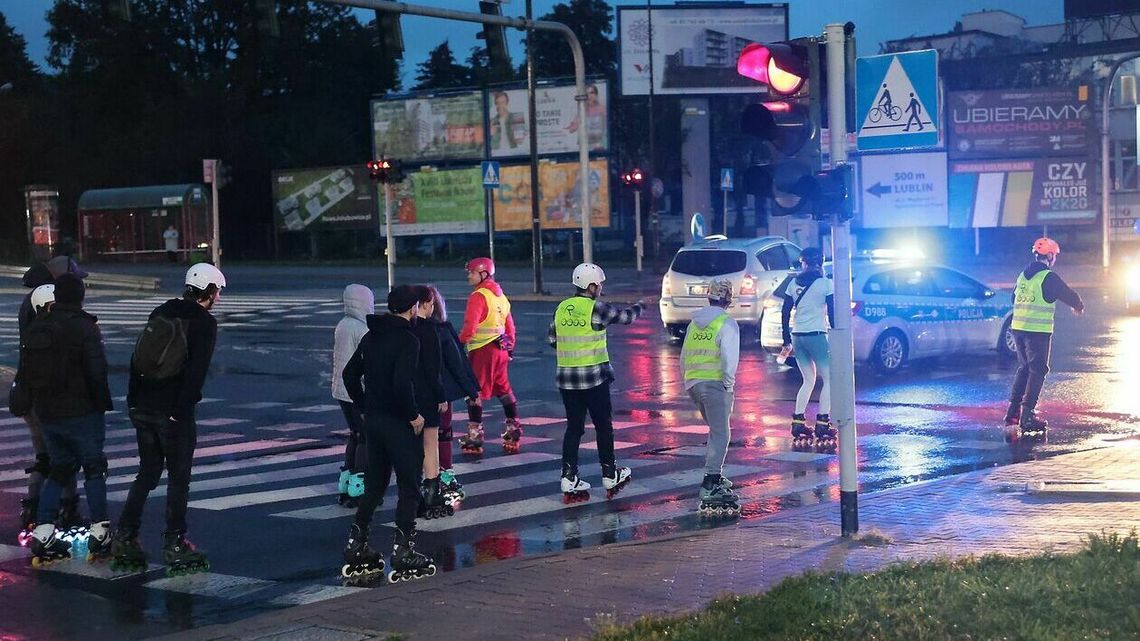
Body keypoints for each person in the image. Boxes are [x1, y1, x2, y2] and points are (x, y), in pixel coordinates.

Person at [112, 263, 225, 574]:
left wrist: (134, 401)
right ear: (211, 292)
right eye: (218, 292)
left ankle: (125, 535)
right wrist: (180, 410)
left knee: (147, 472)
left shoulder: (161, 311)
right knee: (178, 477)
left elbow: (139, 358)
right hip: (171, 412)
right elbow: (195, 375)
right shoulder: (203, 323)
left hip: (141, 405)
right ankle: (175, 543)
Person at [341, 285, 436, 584]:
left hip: (374, 421)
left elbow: (348, 374)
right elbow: (401, 384)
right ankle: (403, 548)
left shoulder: (372, 335)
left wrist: (363, 405)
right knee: (409, 484)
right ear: (412, 308)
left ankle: (357, 542)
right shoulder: (408, 339)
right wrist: (414, 416)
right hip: (398, 423)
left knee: (375, 485)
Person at [23, 273, 114, 565]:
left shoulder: (38, 326)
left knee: (59, 469)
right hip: (82, 411)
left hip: (48, 412)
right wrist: (102, 403)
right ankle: (100, 531)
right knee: (93, 467)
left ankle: (45, 530)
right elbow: (97, 371)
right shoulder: (85, 327)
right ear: (81, 296)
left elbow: (26, 371)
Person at [548, 263, 643, 501]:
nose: (601, 288)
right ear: (591, 286)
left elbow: (552, 339)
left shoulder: (562, 308)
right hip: (594, 378)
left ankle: (569, 477)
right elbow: (626, 317)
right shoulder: (596, 308)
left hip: (567, 380)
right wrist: (641, 305)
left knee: (574, 427)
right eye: (599, 284)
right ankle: (609, 474)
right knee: (603, 425)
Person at [15, 256, 85, 545]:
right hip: (46, 395)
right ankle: (58, 511)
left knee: (48, 455)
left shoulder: (30, 302)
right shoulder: (43, 307)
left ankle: (36, 509)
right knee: (57, 455)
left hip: (30, 391)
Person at [1006, 238, 1084, 433]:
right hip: (1037, 331)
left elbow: (1014, 298)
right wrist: (1078, 306)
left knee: (1024, 368)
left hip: (1018, 328)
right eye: (1054, 255)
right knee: (1038, 369)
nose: (1054, 258)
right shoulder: (1048, 277)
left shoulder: (1023, 275)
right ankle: (1027, 416)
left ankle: (1012, 413)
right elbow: (1067, 294)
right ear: (1049, 256)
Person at [680, 279, 741, 516]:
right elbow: (729, 359)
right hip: (715, 384)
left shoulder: (694, 323)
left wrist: (688, 380)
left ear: (709, 297)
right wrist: (728, 384)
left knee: (715, 431)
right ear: (728, 299)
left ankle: (715, 474)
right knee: (721, 433)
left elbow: (683, 356)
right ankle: (711, 482)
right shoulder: (727, 323)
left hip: (694, 383)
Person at [420, 285, 480, 505]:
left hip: (416, 395)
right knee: (442, 435)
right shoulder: (441, 329)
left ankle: (425, 479)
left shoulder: (411, 330)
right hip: (441, 394)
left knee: (423, 439)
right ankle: (444, 475)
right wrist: (472, 391)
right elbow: (457, 363)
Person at [457, 258, 523, 454]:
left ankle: (474, 436)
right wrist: (509, 349)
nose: (469, 276)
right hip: (501, 350)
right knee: (503, 389)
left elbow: (470, 327)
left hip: (483, 351)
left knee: (474, 392)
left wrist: (458, 343)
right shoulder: (501, 297)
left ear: (483, 274)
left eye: (471, 272)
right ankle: (513, 430)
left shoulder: (478, 296)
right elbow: (510, 328)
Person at [779, 247, 836, 445]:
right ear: (819, 263)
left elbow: (785, 312)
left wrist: (786, 337)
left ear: (803, 263)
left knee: (808, 380)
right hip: (816, 335)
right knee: (829, 379)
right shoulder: (826, 284)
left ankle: (798, 421)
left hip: (797, 336)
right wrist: (836, 331)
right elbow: (833, 312)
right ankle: (822, 423)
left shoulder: (793, 283)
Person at [332, 284, 374, 507]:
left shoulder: (342, 324)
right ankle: (359, 483)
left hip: (340, 390)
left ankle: (346, 480)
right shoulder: (362, 329)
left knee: (355, 434)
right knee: (366, 437)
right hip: (358, 391)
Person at [412, 286, 450, 519]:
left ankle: (412, 494)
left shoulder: (407, 329)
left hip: (407, 395)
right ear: (427, 304)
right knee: (430, 444)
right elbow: (433, 368)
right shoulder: (430, 331)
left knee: (412, 447)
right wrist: (441, 396)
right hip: (427, 394)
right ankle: (432, 493)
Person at [564, 83, 606, 149]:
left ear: (596, 95)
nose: (589, 96)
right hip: (585, 147)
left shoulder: (602, 109)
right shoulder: (582, 111)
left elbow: (608, 128)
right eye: (587, 94)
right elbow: (572, 130)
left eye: (592, 93)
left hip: (600, 145)